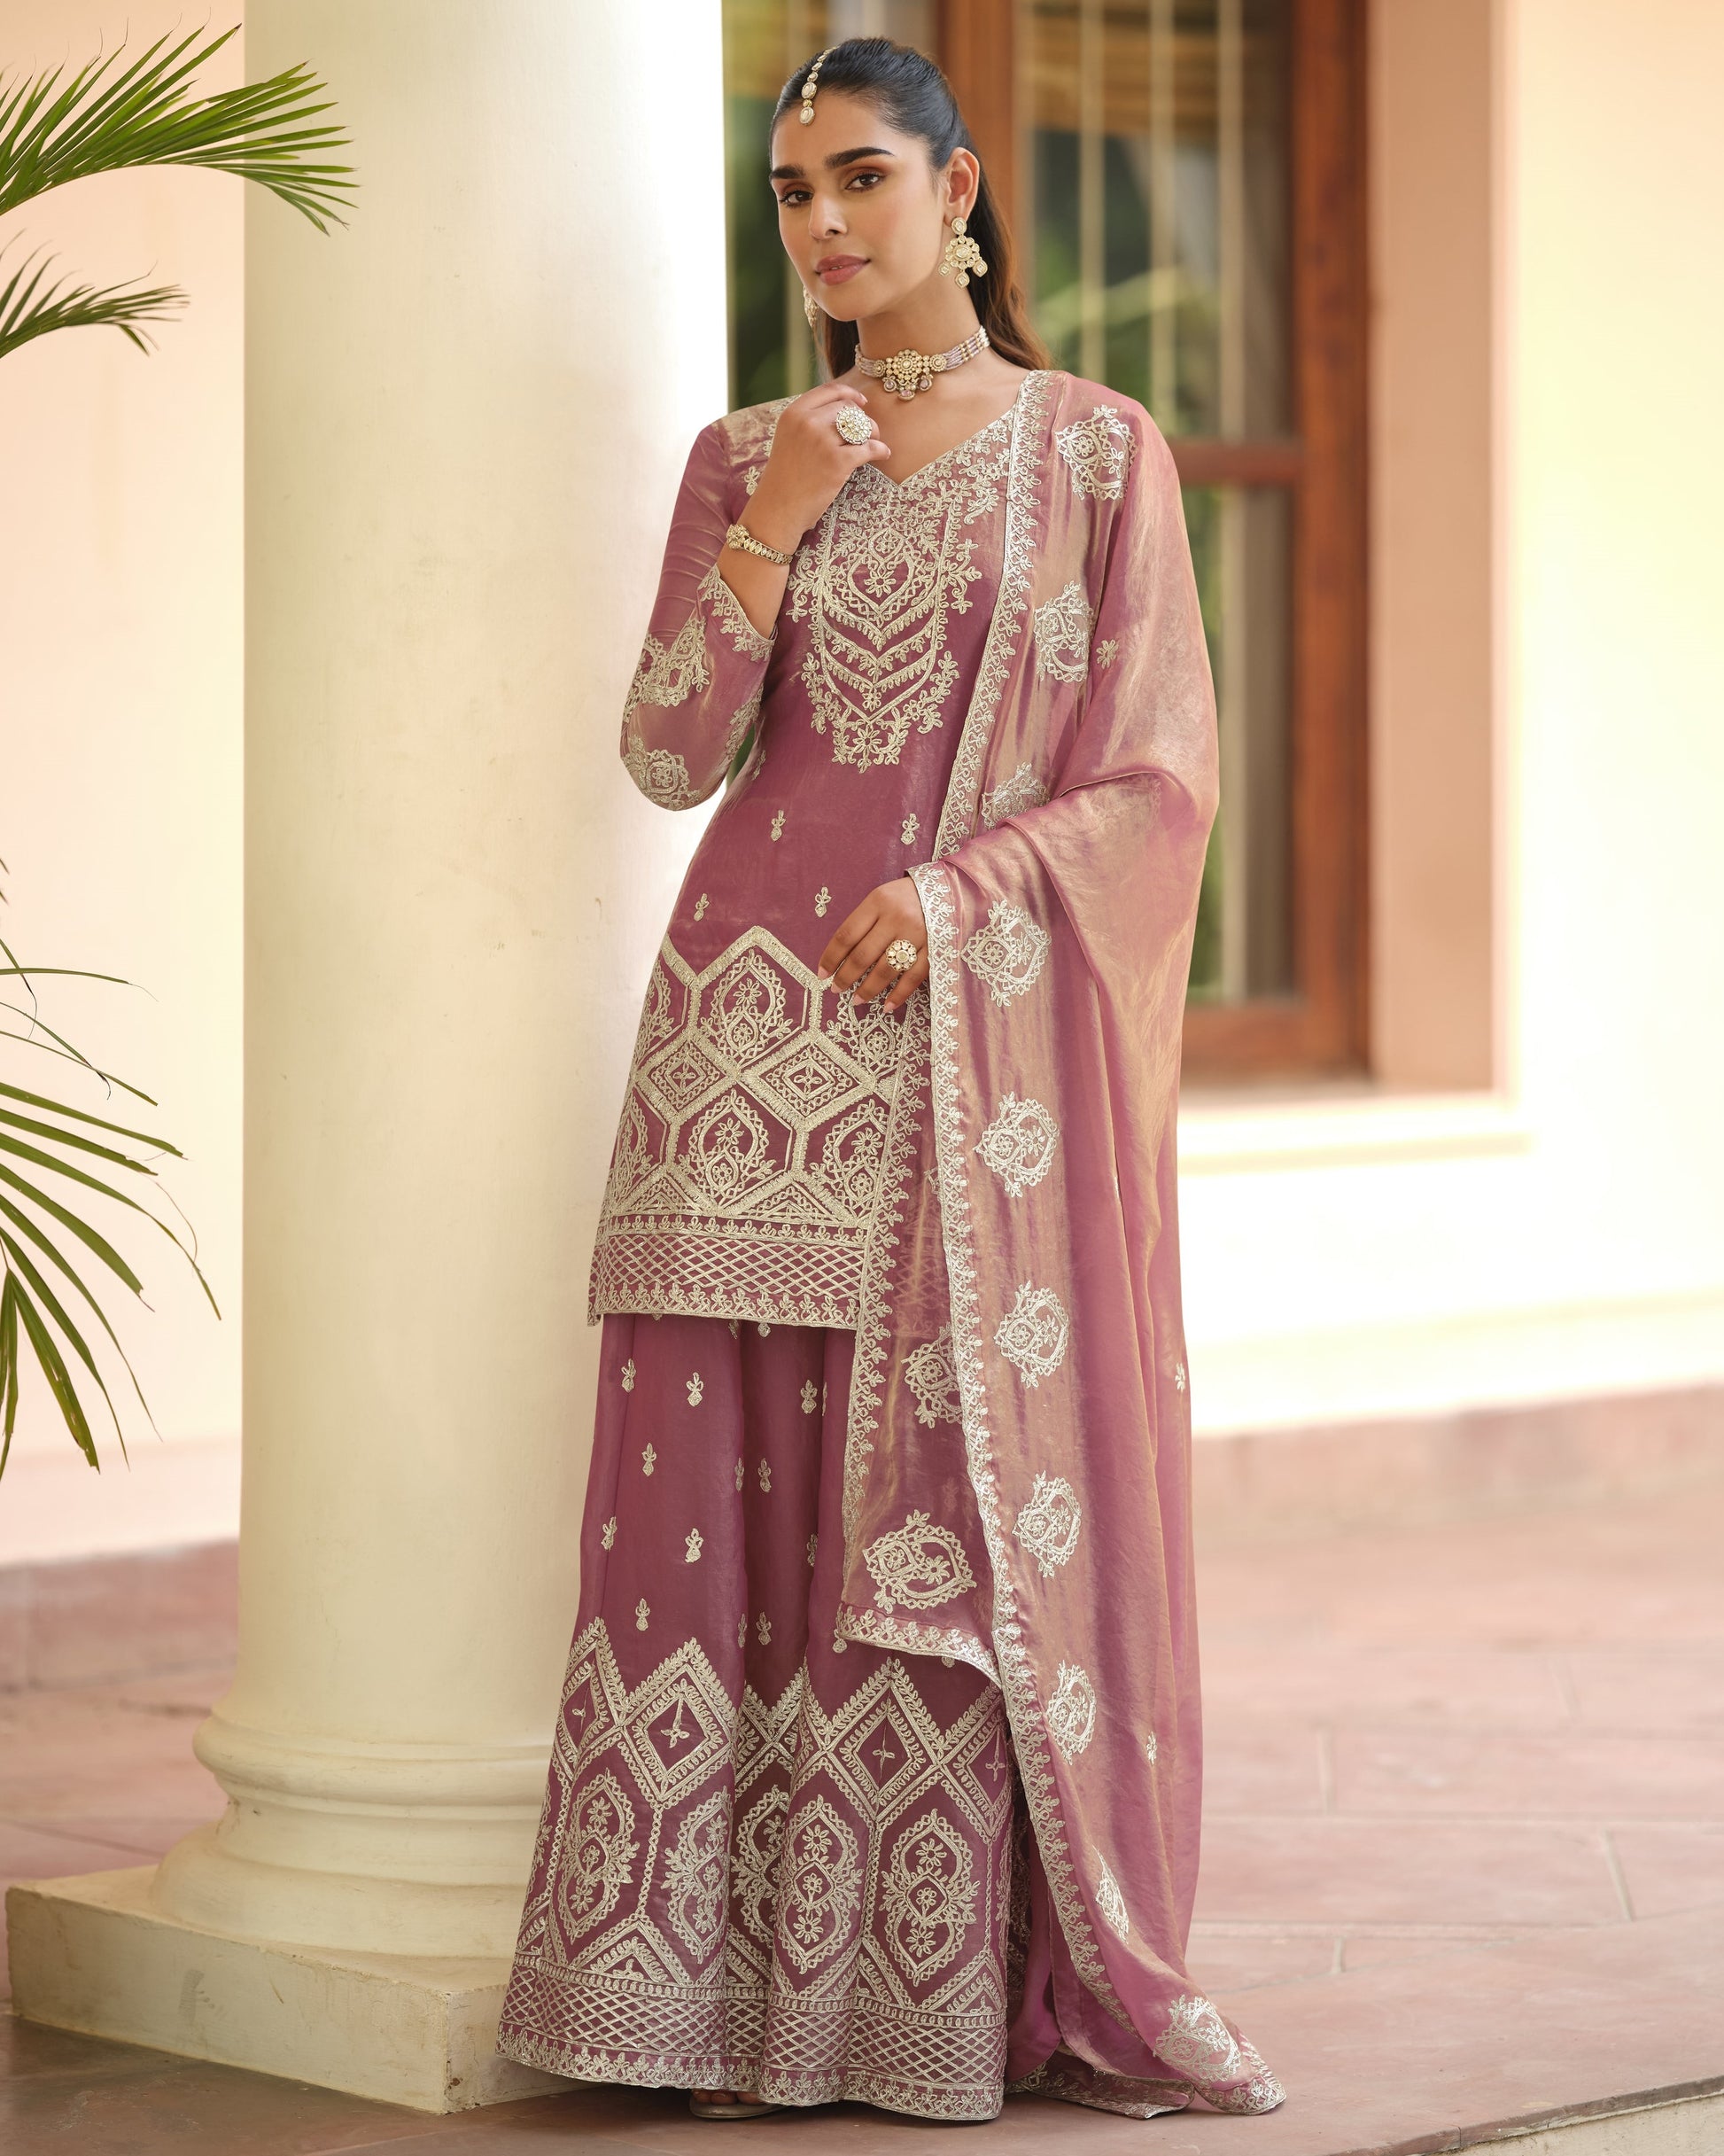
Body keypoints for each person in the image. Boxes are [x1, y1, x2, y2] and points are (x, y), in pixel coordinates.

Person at [495, 35, 1283, 2127]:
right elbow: (672, 753)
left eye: (860, 178)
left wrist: (968, 894)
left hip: (940, 1071)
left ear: (960, 194)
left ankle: (896, 2005)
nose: (825, 223)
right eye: (790, 192)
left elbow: (1158, 780)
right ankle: (685, 2007)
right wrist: (774, 515)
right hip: (726, 1065)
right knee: (698, 1537)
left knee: (905, 1533)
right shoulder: (745, 448)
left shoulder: (1097, 453)